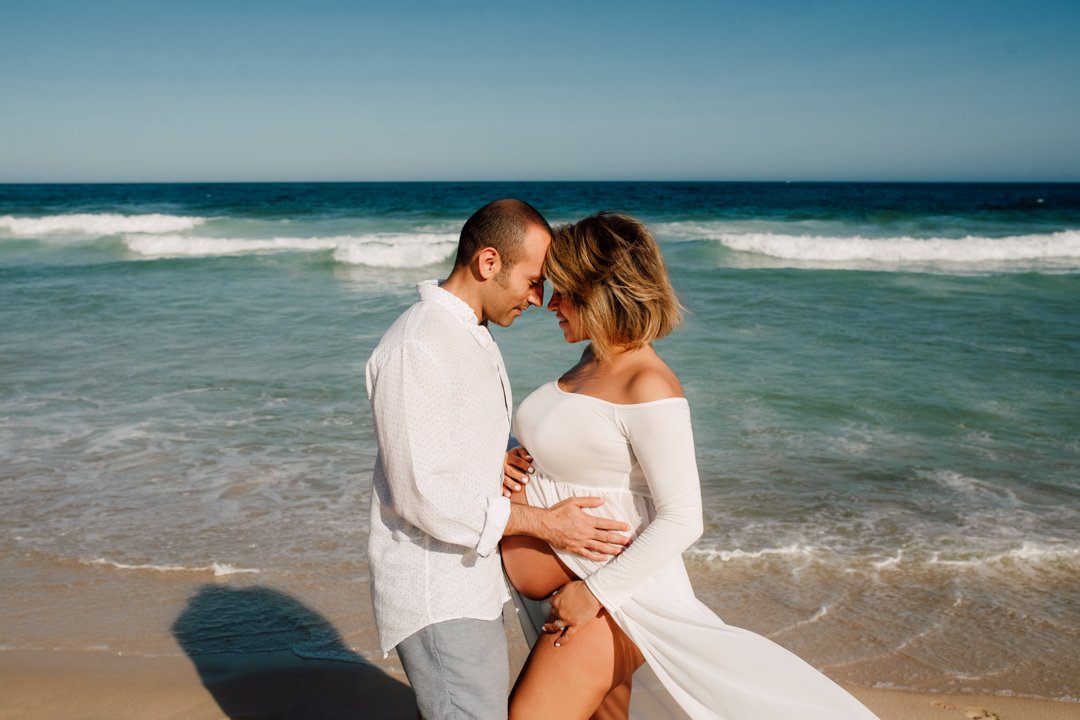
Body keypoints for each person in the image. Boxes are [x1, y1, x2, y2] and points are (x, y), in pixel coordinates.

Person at [500, 212, 878, 720]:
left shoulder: (648, 385)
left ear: (601, 289)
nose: (550, 303)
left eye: (564, 290)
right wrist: (510, 461)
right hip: (580, 593)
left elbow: (683, 517)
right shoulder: (591, 362)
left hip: (615, 603)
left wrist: (595, 594)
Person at [365, 199, 632, 720]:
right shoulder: (417, 346)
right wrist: (547, 525)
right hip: (437, 587)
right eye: (533, 281)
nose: (539, 299)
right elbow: (421, 494)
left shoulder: (468, 333)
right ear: (489, 263)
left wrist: (497, 461)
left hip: (471, 579)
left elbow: (446, 450)